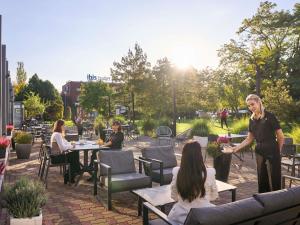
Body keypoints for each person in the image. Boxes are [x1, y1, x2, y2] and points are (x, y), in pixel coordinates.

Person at [228, 94, 284, 193]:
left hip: (272, 149)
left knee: (274, 179)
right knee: (262, 178)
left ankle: (277, 204)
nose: (251, 107)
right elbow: (249, 139)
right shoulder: (252, 120)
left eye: (252, 104)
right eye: (249, 106)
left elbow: (280, 136)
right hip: (259, 151)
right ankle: (264, 202)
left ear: (258, 102)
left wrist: (278, 151)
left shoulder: (270, 116)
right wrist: (235, 149)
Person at [167, 141, 218, 225]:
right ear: (200, 155)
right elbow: (214, 196)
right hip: (206, 216)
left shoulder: (177, 172)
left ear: (184, 156)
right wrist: (203, 200)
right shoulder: (210, 172)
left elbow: (174, 196)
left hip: (180, 217)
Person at [50, 119, 80, 184]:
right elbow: (63, 148)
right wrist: (72, 146)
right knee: (74, 155)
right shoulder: (57, 135)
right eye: (64, 125)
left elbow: (65, 143)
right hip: (56, 158)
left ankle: (71, 175)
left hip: (58, 156)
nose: (65, 127)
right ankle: (72, 174)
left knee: (75, 154)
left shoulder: (58, 134)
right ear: (60, 126)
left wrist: (71, 144)